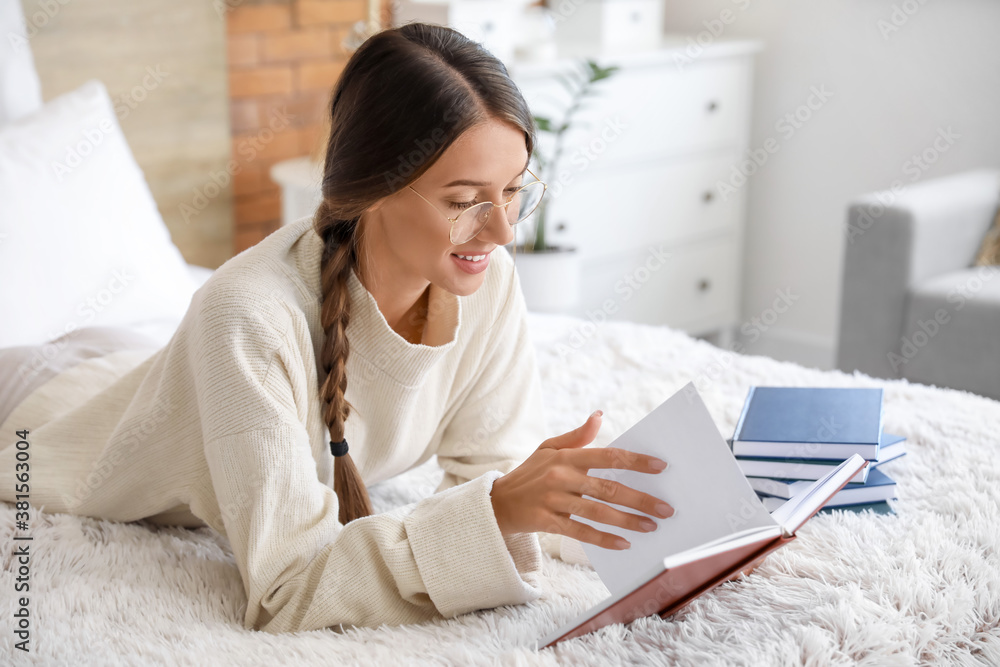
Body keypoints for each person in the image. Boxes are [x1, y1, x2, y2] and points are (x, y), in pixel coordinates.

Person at [0, 22, 674, 634]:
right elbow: (287, 587)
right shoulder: (247, 316)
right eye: (465, 201)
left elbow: (494, 470)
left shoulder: (484, 279)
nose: (500, 231)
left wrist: (640, 514)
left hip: (134, 363)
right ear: (374, 188)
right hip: (41, 398)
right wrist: (493, 515)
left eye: (514, 191)